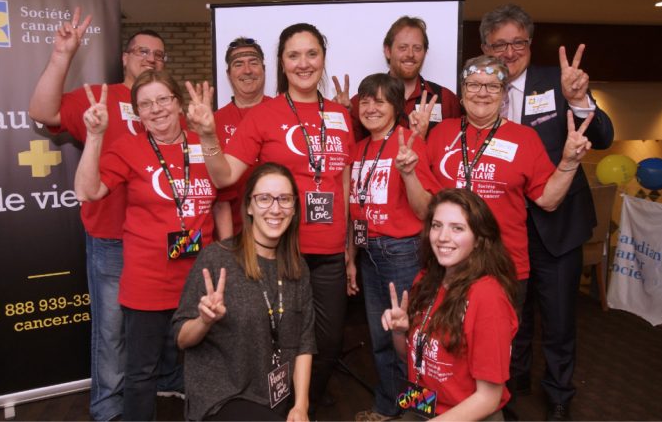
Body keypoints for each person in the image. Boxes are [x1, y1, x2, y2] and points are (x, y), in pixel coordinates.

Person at [185, 23, 354, 417]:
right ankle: (276, 410)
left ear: (323, 58)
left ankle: (300, 405)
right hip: (280, 250)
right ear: (282, 62)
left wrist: (349, 251)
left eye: (312, 54)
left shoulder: (342, 116)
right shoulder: (263, 114)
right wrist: (209, 135)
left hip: (328, 250)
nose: (303, 63)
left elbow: (342, 182)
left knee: (326, 344)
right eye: (293, 55)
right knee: (280, 338)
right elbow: (225, 175)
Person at [28, 7, 169, 421]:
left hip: (163, 238)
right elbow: (42, 111)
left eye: (159, 55)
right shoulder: (99, 96)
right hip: (113, 237)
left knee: (166, 324)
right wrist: (62, 55)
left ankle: (166, 386)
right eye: (142, 51)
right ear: (125, 58)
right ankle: (108, 408)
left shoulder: (166, 105)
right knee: (112, 329)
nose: (150, 59)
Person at [479, 4, 614, 421]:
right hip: (505, 228)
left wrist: (578, 100)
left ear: (530, 44)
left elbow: (604, 135)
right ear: (485, 48)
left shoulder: (558, 84)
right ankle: (512, 387)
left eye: (517, 42)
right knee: (510, 315)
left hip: (557, 225)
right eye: (498, 44)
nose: (508, 52)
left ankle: (559, 394)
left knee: (558, 319)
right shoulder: (481, 92)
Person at [75, 70, 216, 421]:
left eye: (163, 99)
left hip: (200, 277)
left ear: (178, 103)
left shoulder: (204, 144)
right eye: (146, 104)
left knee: (209, 363)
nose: (156, 109)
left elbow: (224, 197)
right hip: (148, 279)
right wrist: (95, 136)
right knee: (141, 372)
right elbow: (87, 192)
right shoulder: (127, 149)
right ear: (137, 112)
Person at [422, 55, 593, 304]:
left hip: (503, 267)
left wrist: (569, 163)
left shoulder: (525, 138)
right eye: (474, 84)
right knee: (445, 339)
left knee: (498, 342)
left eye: (493, 86)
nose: (483, 93)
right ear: (463, 91)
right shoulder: (439, 134)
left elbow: (548, 200)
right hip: (446, 264)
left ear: (504, 95)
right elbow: (423, 201)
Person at [174, 162, 315, 421]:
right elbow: (181, 338)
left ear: (294, 208)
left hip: (274, 397)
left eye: (284, 199)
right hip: (222, 396)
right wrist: (204, 321)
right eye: (264, 199)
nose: (275, 208)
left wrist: (301, 406)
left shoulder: (297, 268)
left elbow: (305, 342)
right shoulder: (217, 259)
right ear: (249, 206)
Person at [346, 74, 441, 422]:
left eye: (380, 101)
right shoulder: (359, 148)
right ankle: (389, 409)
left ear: (396, 107)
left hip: (401, 252)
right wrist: (352, 258)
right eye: (365, 101)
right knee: (382, 338)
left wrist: (410, 174)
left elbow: (424, 210)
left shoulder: (409, 143)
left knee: (410, 341)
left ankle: (420, 414)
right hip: (368, 253)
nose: (370, 108)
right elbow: (355, 210)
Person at [381, 188, 519, 420]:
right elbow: (411, 358)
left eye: (457, 228)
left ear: (479, 240)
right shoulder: (427, 280)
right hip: (423, 406)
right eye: (437, 225)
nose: (443, 237)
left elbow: (488, 398)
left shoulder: (488, 298)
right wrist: (399, 331)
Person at [334, 16, 461, 140]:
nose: (410, 54)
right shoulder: (361, 102)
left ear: (425, 52)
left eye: (417, 48)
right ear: (388, 51)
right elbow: (350, 149)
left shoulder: (446, 99)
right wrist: (341, 117)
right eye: (403, 47)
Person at [213, 37, 272, 239]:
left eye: (253, 63)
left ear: (263, 69)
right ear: (229, 75)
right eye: (238, 64)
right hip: (233, 233)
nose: (247, 70)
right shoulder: (212, 123)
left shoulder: (283, 112)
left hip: (281, 231)